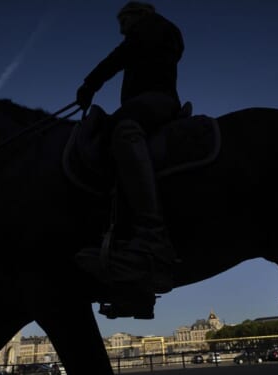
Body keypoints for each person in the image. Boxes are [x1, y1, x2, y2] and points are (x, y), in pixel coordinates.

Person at [74, 1, 184, 295]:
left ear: (138, 16)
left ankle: (152, 235)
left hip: (156, 100)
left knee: (122, 131)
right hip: (148, 101)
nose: (121, 28)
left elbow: (119, 56)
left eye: (124, 20)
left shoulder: (154, 27)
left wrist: (90, 84)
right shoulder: (151, 35)